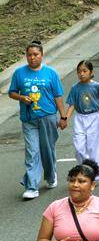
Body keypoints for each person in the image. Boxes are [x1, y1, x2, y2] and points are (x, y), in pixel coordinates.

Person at [9, 40, 66, 200]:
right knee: (32, 151)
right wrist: (21, 97)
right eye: (29, 55)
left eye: (36, 54)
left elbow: (58, 96)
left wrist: (63, 116)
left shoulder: (51, 73)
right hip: (28, 119)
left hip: (48, 116)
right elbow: (12, 92)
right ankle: (32, 186)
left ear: (42, 55)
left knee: (47, 149)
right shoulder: (19, 73)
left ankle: (50, 175)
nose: (32, 58)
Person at [63, 60, 99, 176]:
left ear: (91, 72)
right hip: (80, 118)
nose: (81, 74)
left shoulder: (97, 86)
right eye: (79, 72)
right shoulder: (75, 88)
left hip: (94, 117)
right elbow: (72, 105)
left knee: (94, 147)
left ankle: (96, 174)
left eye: (84, 71)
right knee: (79, 147)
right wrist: (65, 118)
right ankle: (86, 170)